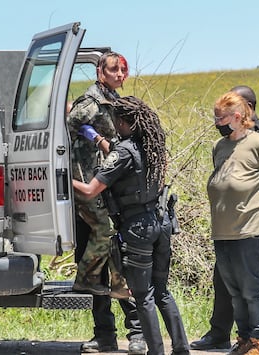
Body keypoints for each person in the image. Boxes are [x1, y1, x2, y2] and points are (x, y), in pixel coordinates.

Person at [72, 96, 190, 355]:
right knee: (162, 292)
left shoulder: (123, 151)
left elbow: (91, 190)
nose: (113, 125)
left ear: (124, 122)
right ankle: (181, 350)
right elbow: (121, 155)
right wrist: (98, 140)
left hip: (138, 229)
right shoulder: (152, 147)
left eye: (116, 121)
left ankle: (156, 352)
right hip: (161, 222)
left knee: (142, 294)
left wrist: (62, 180)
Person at [190, 86, 259, 353]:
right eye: (216, 118)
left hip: (253, 227)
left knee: (256, 290)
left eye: (221, 118)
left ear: (237, 116)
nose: (217, 124)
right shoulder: (219, 146)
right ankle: (244, 339)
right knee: (234, 291)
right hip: (224, 231)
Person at [67, 52, 145, 354]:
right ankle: (104, 333)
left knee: (117, 258)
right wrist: (97, 137)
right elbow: (73, 121)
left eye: (124, 70)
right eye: (115, 69)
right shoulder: (92, 99)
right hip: (89, 188)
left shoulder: (113, 99)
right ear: (101, 72)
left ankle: (135, 332)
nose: (120, 74)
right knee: (99, 259)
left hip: (108, 189)